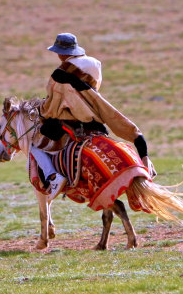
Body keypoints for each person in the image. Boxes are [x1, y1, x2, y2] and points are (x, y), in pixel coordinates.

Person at [30, 32, 155, 199]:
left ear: (60, 52)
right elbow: (92, 92)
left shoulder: (59, 74)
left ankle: (54, 177)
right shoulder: (95, 64)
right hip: (95, 120)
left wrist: (42, 111)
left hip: (71, 122)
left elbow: (52, 107)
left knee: (35, 143)